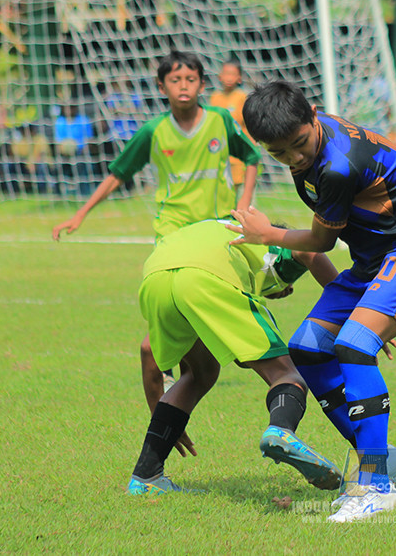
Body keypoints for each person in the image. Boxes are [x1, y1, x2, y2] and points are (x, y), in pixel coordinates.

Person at [227, 81, 396, 522]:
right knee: (309, 348)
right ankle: (384, 460)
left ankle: (376, 486)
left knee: (354, 345)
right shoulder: (313, 145)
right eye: (279, 153)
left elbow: (320, 241)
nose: (295, 158)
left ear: (314, 114)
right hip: (377, 261)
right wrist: (366, 314)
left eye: (299, 143)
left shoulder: (337, 165)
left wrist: (267, 234)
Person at [52, 50, 262, 400]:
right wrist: (81, 213)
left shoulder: (221, 121)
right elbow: (119, 173)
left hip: (214, 228)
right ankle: (167, 366)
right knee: (169, 297)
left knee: (214, 296)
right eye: (175, 80)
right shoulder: (154, 130)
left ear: (202, 84)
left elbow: (252, 156)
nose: (184, 86)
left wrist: (243, 203)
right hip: (172, 230)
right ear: (161, 86)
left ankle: (198, 362)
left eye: (191, 79)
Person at [128, 219, 343, 495]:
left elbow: (148, 351)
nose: (280, 294)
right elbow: (310, 252)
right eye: (282, 291)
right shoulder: (270, 240)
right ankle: (280, 430)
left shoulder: (213, 232)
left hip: (154, 278)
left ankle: (146, 476)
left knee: (200, 373)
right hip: (204, 277)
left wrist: (164, 425)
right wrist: (354, 316)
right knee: (286, 374)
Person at [207, 59, 252, 196]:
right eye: (226, 73)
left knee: (242, 197)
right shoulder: (215, 98)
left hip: (240, 156)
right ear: (220, 76)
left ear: (239, 78)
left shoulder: (242, 97)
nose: (229, 78)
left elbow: (249, 124)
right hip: (220, 154)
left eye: (232, 74)